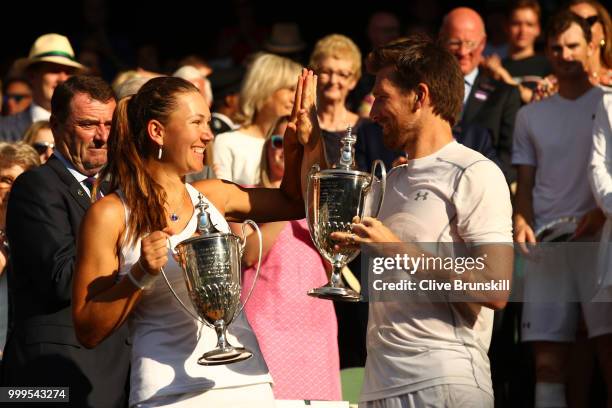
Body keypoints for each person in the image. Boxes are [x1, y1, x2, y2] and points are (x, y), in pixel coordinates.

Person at [71, 72, 323, 407]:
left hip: (248, 381)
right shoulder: (110, 214)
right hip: (169, 392)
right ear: (157, 132)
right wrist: (140, 273)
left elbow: (296, 202)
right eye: (196, 122)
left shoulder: (215, 194)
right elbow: (88, 329)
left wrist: (304, 144)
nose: (208, 134)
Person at [330, 35, 513, 407]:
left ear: (420, 96)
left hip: (445, 382)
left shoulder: (475, 172)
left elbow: (495, 287)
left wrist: (395, 249)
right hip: (378, 386)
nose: (373, 110)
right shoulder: (389, 180)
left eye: (382, 97)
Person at [0, 76, 130, 407]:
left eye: (108, 124)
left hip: (117, 374)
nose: (102, 136)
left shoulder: (118, 193)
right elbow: (63, 280)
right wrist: (137, 259)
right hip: (52, 380)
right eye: (88, 124)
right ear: (56, 127)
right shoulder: (36, 186)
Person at [513, 11, 611, 408]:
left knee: (608, 358)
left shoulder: (608, 104)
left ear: (592, 47)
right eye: (556, 47)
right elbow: (526, 181)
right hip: (548, 248)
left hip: (599, 245)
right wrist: (521, 219)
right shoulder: (529, 114)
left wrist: (603, 215)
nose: (565, 54)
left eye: (573, 46)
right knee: (547, 367)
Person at [240, 116, 341, 400]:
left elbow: (334, 264)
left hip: (315, 323)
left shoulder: (320, 202)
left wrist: (313, 201)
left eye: (296, 145)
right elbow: (247, 255)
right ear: (267, 148)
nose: (286, 150)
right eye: (279, 141)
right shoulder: (244, 196)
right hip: (265, 321)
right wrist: (290, 205)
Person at [440, 7, 522, 184]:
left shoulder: (504, 95)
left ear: (483, 43)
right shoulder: (425, 91)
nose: (463, 52)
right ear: (442, 41)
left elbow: (510, 161)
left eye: (470, 43)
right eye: (455, 42)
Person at [212, 53, 301, 186]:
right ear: (265, 89)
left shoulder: (300, 142)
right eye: (290, 89)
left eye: (298, 90)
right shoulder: (227, 143)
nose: (295, 97)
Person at [0, 34, 84, 142]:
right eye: (54, 70)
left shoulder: (84, 127)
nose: (62, 78)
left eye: (68, 72)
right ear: (32, 75)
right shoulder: (4, 129)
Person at [0, 142, 40, 365]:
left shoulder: (40, 238)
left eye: (21, 182)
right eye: (6, 180)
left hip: (24, 361)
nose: (14, 189)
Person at [310, 34, 369, 165]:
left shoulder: (366, 129)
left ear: (353, 81)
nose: (333, 81)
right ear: (315, 74)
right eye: (326, 72)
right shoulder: (304, 125)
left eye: (342, 74)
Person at [482, 0, 552, 103]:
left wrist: (505, 77)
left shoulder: (548, 66)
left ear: (538, 29)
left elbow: (544, 103)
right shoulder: (494, 68)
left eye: (529, 24)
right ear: (506, 27)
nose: (522, 31)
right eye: (516, 24)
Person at [568, 0, 612, 86]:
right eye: (575, 23)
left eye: (589, 21)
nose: (583, 28)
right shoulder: (552, 86)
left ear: (603, 30)